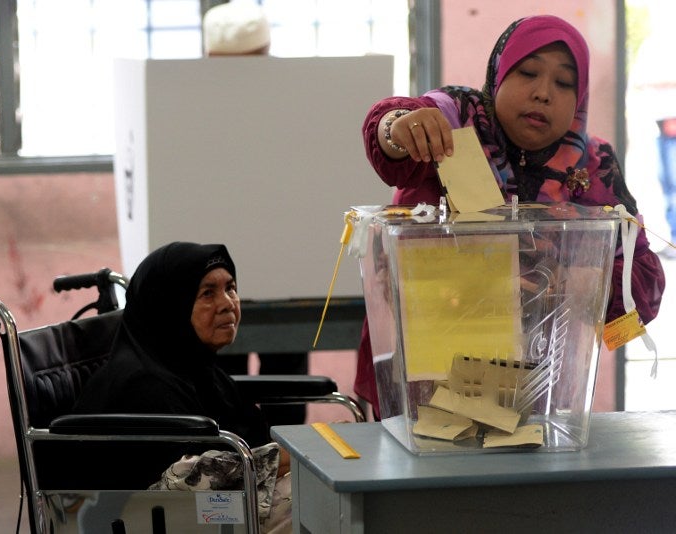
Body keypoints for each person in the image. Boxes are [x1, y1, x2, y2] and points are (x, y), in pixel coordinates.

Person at [357, 14, 666, 419]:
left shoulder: (593, 165)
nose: (542, 93)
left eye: (564, 83)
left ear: (581, 97)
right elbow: (390, 140)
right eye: (528, 73)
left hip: (533, 391)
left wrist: (571, 277)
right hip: (421, 381)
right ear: (499, 73)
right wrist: (400, 127)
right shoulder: (453, 119)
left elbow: (641, 283)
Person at [73, 242, 291, 533]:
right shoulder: (142, 386)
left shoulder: (197, 368)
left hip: (207, 505)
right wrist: (294, 457)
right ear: (170, 307)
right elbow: (187, 481)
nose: (228, 303)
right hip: (164, 515)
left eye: (231, 287)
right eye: (207, 294)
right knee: (312, 500)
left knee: (316, 487)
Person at [203, 0, 310, 426]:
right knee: (219, 385)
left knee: (283, 387)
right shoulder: (186, 104)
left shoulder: (296, 100)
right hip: (225, 269)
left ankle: (281, 477)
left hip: (287, 272)